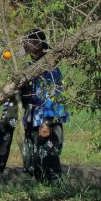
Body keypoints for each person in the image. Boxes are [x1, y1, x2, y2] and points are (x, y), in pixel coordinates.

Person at [20, 29, 68, 182]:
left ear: (38, 44)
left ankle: (56, 193)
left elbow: (54, 96)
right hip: (31, 118)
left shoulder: (50, 67)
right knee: (32, 159)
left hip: (47, 121)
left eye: (27, 41)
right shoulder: (27, 67)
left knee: (48, 158)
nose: (24, 44)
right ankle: (40, 191)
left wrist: (46, 123)